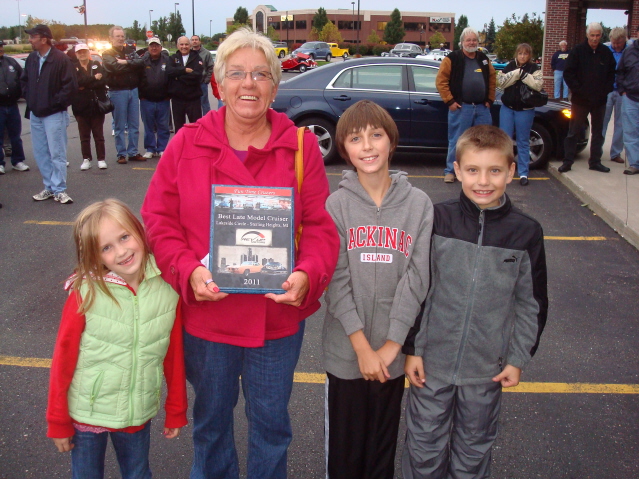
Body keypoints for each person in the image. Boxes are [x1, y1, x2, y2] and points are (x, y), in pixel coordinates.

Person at [141, 28, 339, 478]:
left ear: (274, 84)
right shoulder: (186, 144)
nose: (248, 84)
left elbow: (322, 230)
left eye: (260, 74)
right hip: (210, 317)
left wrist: (308, 273)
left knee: (271, 426)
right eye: (236, 74)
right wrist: (186, 270)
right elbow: (158, 220)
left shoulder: (302, 147)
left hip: (276, 318)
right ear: (218, 82)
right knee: (211, 425)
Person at [402, 124, 548, 479]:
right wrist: (413, 348)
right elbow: (417, 288)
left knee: (473, 448)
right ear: (457, 170)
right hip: (432, 363)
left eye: (495, 170)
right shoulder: (438, 218)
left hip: (487, 368)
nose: (484, 181)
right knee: (424, 447)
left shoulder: (526, 232)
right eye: (473, 170)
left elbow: (532, 303)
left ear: (511, 172)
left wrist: (517, 358)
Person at [323, 99, 433, 479]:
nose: (367, 146)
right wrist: (361, 347)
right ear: (344, 148)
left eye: (376, 135)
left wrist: (390, 347)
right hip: (346, 351)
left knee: (380, 453)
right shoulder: (335, 205)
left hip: (391, 353)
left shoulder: (419, 205)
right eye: (356, 138)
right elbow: (335, 280)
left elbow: (417, 279)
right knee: (344, 456)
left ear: (391, 141)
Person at [46, 198, 188, 478]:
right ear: (95, 256)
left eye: (125, 237)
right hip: (87, 412)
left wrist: (176, 408)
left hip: (137, 412)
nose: (122, 252)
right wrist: (57, 420)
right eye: (106, 248)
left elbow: (174, 354)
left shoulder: (167, 287)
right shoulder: (85, 291)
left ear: (139, 231)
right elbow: (63, 359)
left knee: (137, 474)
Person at [22, 24, 77, 204]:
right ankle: (49, 187)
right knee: (40, 152)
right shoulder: (31, 58)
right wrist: (31, 99)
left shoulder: (60, 59)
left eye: (33, 37)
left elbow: (70, 87)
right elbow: (25, 81)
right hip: (36, 113)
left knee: (57, 152)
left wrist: (53, 103)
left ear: (44, 39)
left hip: (54, 114)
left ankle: (60, 189)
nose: (30, 40)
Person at [436, 26, 496, 183]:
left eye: (474, 40)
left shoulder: (483, 59)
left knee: (484, 141)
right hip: (462, 108)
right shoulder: (452, 59)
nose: (472, 42)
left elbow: (492, 79)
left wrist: (490, 100)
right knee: (457, 141)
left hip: (482, 108)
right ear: (461, 42)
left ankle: (480, 171)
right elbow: (441, 81)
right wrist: (450, 101)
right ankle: (450, 171)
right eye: (468, 40)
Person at [559, 22, 616, 174]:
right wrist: (579, 90)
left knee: (598, 133)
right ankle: (567, 162)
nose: (595, 39)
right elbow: (568, 73)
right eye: (592, 35)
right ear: (587, 35)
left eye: (597, 35)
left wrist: (605, 91)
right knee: (573, 132)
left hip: (600, 101)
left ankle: (595, 161)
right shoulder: (578, 51)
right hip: (580, 101)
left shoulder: (606, 52)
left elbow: (612, 74)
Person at [497, 43, 544, 186]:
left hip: (525, 110)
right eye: (520, 53)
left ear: (529, 55)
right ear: (516, 54)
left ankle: (523, 173)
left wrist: (522, 75)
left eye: (526, 54)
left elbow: (537, 85)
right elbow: (500, 83)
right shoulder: (509, 66)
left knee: (523, 141)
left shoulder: (534, 69)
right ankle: (503, 172)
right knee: (505, 141)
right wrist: (515, 74)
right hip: (507, 108)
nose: (522, 56)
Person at [102, 26, 146, 164]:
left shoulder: (130, 52)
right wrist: (130, 65)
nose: (121, 39)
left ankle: (133, 152)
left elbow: (140, 63)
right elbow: (115, 68)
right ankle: (121, 154)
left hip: (133, 90)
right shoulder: (107, 54)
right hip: (117, 91)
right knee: (120, 126)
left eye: (122, 36)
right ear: (111, 38)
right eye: (117, 36)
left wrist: (126, 62)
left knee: (134, 124)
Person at [71, 43, 108, 171]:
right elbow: (76, 83)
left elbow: (103, 81)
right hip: (80, 107)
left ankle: (101, 159)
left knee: (98, 135)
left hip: (96, 105)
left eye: (84, 51)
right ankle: (86, 159)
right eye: (79, 52)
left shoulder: (96, 65)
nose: (82, 54)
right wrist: (93, 79)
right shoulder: (73, 67)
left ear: (88, 53)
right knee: (84, 136)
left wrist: (85, 84)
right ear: (76, 54)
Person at [139, 37, 172, 159]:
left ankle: (162, 148)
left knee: (163, 126)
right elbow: (138, 79)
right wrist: (141, 95)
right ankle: (150, 149)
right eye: (152, 46)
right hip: (146, 99)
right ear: (148, 48)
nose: (154, 48)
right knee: (148, 126)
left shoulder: (167, 60)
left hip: (163, 99)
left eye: (156, 46)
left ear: (160, 47)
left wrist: (169, 93)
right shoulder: (143, 61)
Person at [0, 40, 29, 175]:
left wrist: (21, 93)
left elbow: (22, 78)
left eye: (1, 47)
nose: (1, 49)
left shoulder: (11, 62)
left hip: (12, 105)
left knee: (15, 135)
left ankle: (17, 161)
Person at [602, 27, 628, 165]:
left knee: (620, 124)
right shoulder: (605, 50)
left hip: (623, 92)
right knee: (602, 122)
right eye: (614, 43)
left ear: (624, 40)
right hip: (607, 91)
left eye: (619, 43)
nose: (616, 46)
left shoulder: (630, 51)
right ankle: (597, 151)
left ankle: (615, 153)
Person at [168, 37, 204, 132]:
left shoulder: (197, 58)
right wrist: (184, 70)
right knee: (179, 128)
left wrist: (178, 77)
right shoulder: (172, 58)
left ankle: (196, 147)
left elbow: (197, 75)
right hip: (177, 99)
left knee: (196, 127)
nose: (184, 47)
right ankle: (180, 147)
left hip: (193, 99)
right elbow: (169, 72)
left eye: (186, 44)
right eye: (182, 44)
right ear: (177, 45)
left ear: (190, 45)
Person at [617, 26, 639, 175]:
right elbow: (620, 72)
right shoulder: (629, 51)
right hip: (631, 97)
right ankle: (635, 163)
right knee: (631, 132)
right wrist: (622, 90)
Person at [191, 35, 214, 115]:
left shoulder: (206, 53)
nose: (194, 41)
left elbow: (211, 67)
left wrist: (206, 80)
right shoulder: (189, 52)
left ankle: (207, 120)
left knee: (204, 102)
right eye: (193, 40)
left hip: (202, 83)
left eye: (196, 40)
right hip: (191, 83)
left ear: (199, 41)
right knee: (193, 103)